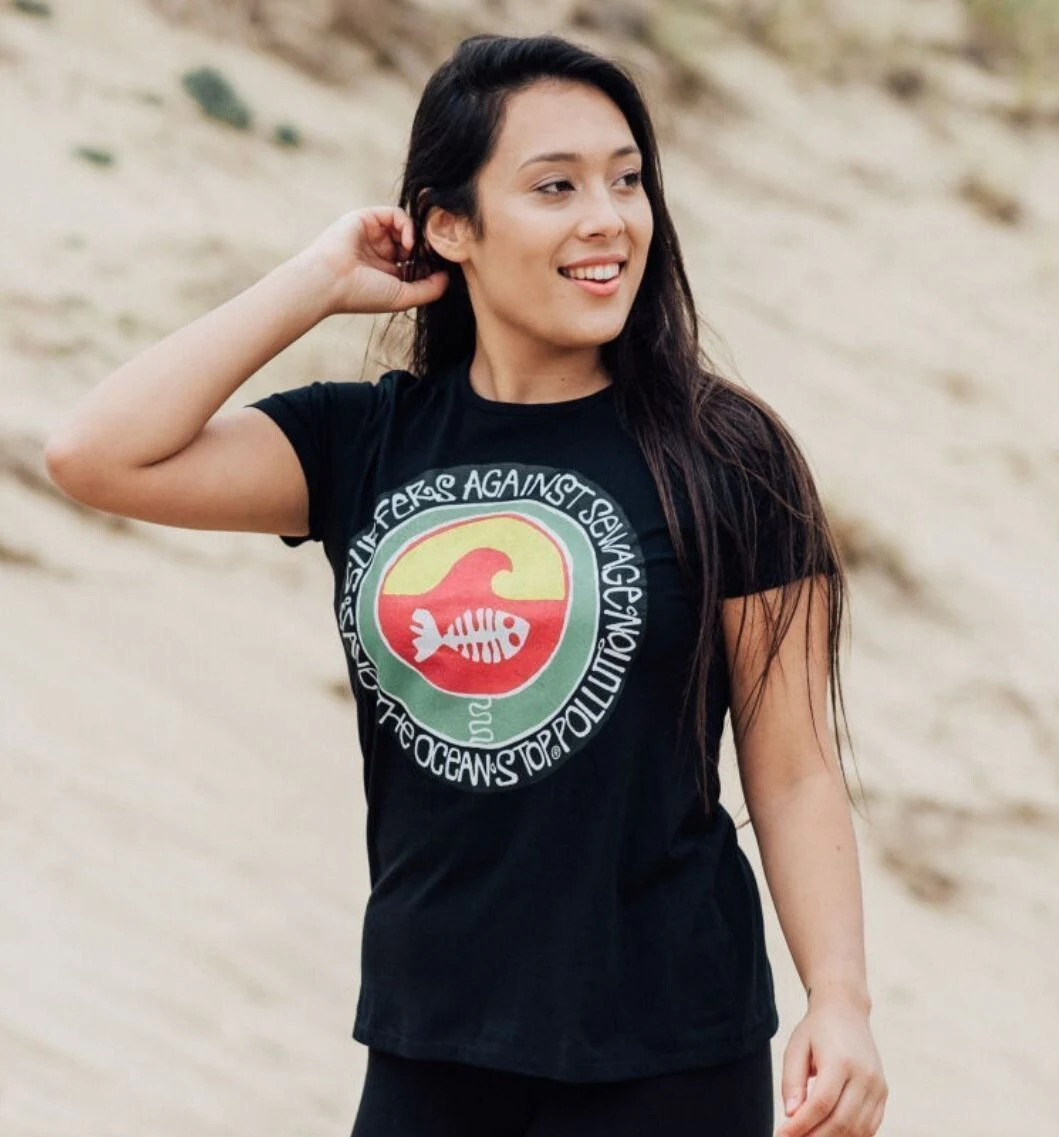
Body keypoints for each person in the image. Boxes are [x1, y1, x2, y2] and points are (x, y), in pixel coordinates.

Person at [44, 31, 888, 1137]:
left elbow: (795, 770)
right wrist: (318, 282)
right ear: (450, 226)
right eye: (555, 186)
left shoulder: (726, 456)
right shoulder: (365, 443)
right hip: (429, 1037)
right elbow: (94, 454)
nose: (609, 218)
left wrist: (839, 996)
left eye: (627, 180)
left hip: (668, 1048)